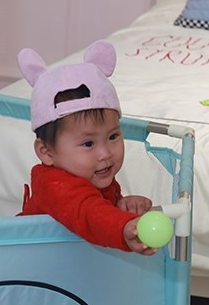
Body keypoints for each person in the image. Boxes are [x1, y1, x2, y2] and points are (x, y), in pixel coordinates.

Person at [17, 40, 155, 254]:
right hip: (29, 265)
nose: (105, 153)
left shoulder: (93, 174)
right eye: (88, 143)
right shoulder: (54, 185)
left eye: (113, 136)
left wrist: (122, 206)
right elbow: (88, 213)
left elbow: (99, 210)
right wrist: (123, 228)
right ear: (46, 152)